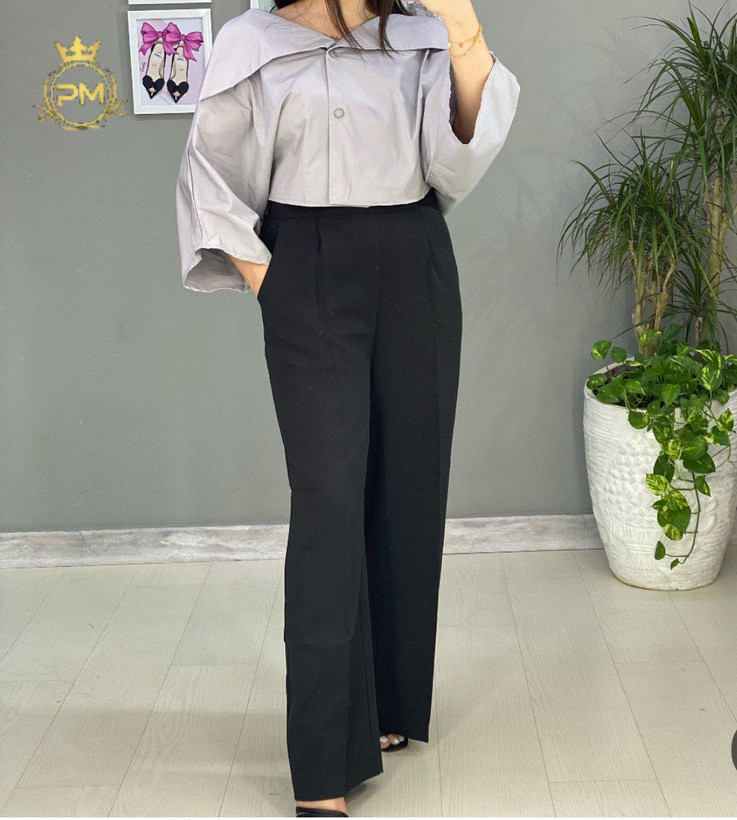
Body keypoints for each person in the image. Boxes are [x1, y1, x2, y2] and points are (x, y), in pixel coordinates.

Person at [175, 0, 520, 814]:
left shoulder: (421, 30)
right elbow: (209, 175)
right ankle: (324, 762)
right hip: (307, 260)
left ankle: (388, 706)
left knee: (407, 484)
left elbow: (457, 162)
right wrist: (273, 281)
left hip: (413, 256)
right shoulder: (252, 42)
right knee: (328, 497)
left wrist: (462, 28)